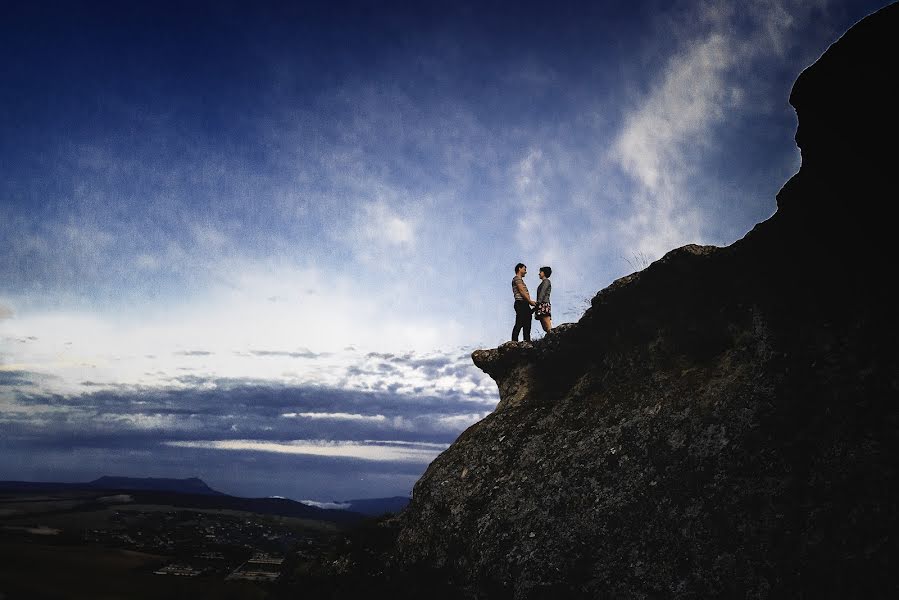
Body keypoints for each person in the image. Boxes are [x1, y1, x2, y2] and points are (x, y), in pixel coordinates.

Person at [511, 262, 536, 342]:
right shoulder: (517, 278)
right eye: (524, 269)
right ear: (519, 268)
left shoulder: (520, 280)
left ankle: (527, 342)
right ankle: (514, 343)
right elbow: (521, 291)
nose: (526, 271)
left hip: (524, 304)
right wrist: (530, 301)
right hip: (520, 303)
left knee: (527, 324)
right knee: (519, 323)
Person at [534, 266, 552, 333]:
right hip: (541, 304)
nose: (539, 273)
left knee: (547, 324)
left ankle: (552, 337)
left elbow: (542, 293)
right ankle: (550, 337)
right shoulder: (543, 282)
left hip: (543, 304)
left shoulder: (546, 281)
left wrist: (538, 303)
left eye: (540, 272)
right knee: (544, 326)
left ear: (544, 273)